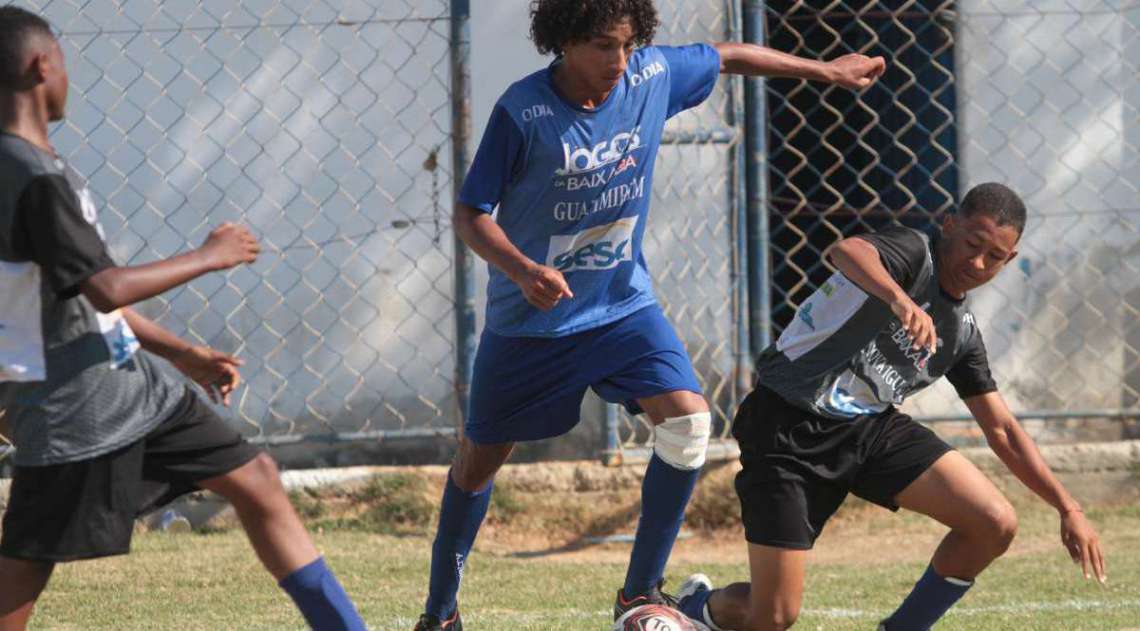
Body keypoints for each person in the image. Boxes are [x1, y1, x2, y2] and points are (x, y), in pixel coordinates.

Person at [413, 1, 885, 628]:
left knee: (689, 424)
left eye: (629, 44)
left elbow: (727, 55)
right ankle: (440, 614)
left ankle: (640, 593)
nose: (619, 61)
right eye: (604, 47)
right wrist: (524, 271)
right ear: (565, 42)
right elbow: (472, 214)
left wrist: (822, 71)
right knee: (478, 463)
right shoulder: (522, 112)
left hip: (621, 307)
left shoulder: (648, 77)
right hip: (534, 324)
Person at [0, 7, 366, 630]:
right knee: (18, 581)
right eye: (65, 60)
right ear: (43, 64)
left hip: (132, 384)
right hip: (75, 411)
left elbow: (76, 300)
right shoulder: (29, 177)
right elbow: (106, 288)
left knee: (258, 480)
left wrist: (180, 353)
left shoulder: (36, 167)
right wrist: (209, 256)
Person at [676, 182, 1107, 631]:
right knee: (774, 616)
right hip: (788, 422)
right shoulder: (912, 253)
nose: (977, 263)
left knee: (993, 523)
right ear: (949, 225)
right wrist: (899, 299)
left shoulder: (960, 333)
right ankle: (697, 608)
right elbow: (846, 252)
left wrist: (1068, 507)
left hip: (867, 428)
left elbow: (1002, 430)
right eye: (971, 244)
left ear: (1009, 260)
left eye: (994, 257)